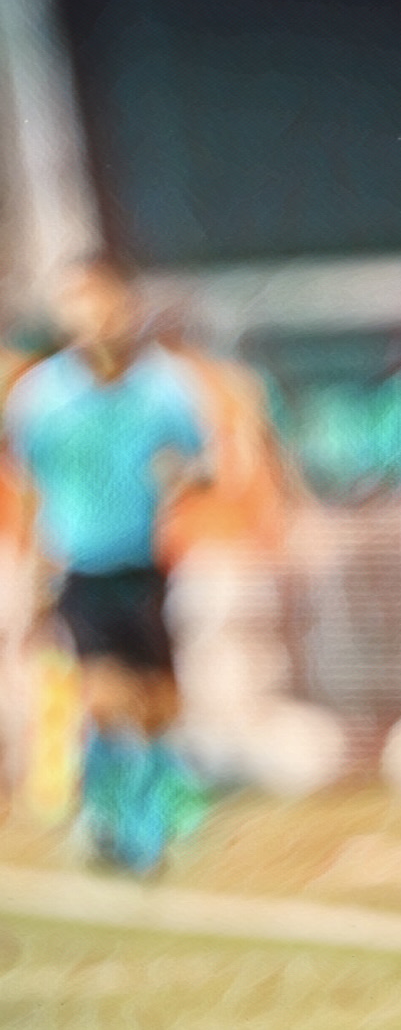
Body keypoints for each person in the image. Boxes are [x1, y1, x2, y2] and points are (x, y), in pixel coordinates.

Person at [3, 256, 210, 875]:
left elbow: (203, 465)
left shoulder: (165, 387)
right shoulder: (40, 397)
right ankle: (116, 825)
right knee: (106, 695)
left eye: (101, 301)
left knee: (157, 707)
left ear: (125, 305)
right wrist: (34, 575)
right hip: (81, 569)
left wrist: (182, 479)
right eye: (78, 303)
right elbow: (29, 490)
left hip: (145, 567)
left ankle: (129, 822)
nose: (91, 316)